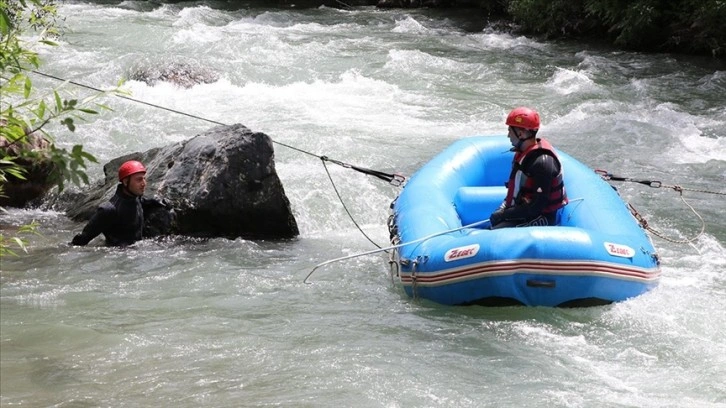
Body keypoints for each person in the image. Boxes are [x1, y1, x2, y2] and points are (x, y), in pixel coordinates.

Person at [490, 107, 568, 229]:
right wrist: (503, 211)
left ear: (521, 134)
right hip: (525, 211)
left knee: (495, 232)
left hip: (543, 217)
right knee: (495, 224)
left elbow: (537, 207)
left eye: (510, 131)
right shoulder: (524, 153)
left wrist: (504, 214)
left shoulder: (542, 163)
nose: (508, 135)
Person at [71, 160, 165, 246]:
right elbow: (82, 239)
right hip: (118, 256)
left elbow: (142, 202)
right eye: (139, 179)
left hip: (137, 252)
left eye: (144, 178)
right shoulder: (108, 210)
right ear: (125, 182)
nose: (144, 183)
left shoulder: (136, 198)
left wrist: (158, 202)